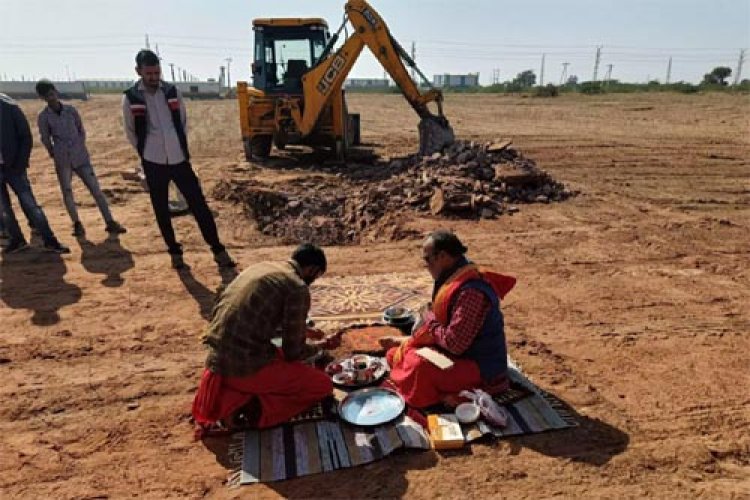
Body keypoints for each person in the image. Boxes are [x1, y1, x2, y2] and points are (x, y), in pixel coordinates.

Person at [192, 244, 340, 435]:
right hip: (244, 367)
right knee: (322, 385)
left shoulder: (262, 268)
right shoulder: (297, 287)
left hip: (218, 360)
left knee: (277, 356)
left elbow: (259, 316)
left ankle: (232, 396)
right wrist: (321, 346)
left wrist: (305, 330)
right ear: (312, 269)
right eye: (316, 275)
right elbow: (293, 352)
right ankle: (248, 410)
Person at [122, 49, 234, 270]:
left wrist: (179, 147)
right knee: (161, 209)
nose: (154, 77)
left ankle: (218, 250)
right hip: (153, 161)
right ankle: (175, 252)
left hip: (179, 159)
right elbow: (130, 132)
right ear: (139, 71)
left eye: (157, 72)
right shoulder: (131, 97)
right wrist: (146, 154)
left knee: (199, 206)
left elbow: (182, 122)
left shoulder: (172, 92)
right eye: (149, 73)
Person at [383, 230, 516, 409]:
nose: (426, 266)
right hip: (460, 353)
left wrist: (430, 322)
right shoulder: (454, 274)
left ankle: (472, 393)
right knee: (399, 354)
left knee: (418, 366)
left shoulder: (471, 292)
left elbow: (455, 344)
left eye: (428, 260)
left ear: (443, 256)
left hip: (480, 365)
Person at [36, 80, 126, 237]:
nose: (51, 98)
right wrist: (54, 152)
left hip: (81, 156)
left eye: (51, 94)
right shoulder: (44, 117)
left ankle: (109, 221)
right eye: (47, 96)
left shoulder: (70, 110)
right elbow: (45, 138)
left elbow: (81, 130)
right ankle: (77, 224)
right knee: (67, 192)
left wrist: (79, 146)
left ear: (55, 92)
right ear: (42, 98)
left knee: (96, 190)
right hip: (63, 159)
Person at [0, 92, 69, 254]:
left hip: (14, 168)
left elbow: (25, 137)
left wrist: (20, 164)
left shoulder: (9, 107)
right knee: (3, 209)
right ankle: (17, 240)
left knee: (31, 205)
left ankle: (49, 240)